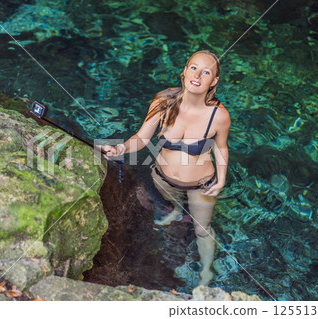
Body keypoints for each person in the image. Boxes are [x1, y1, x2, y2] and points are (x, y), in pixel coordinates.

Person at [99, 50, 231, 286]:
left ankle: (206, 275)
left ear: (214, 81)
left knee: (202, 230)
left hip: (201, 185)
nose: (198, 75)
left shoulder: (218, 116)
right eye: (193, 67)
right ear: (184, 71)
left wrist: (221, 180)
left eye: (206, 71)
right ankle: (176, 214)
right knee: (173, 211)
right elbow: (141, 138)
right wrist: (120, 149)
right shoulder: (163, 102)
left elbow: (221, 148)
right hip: (161, 179)